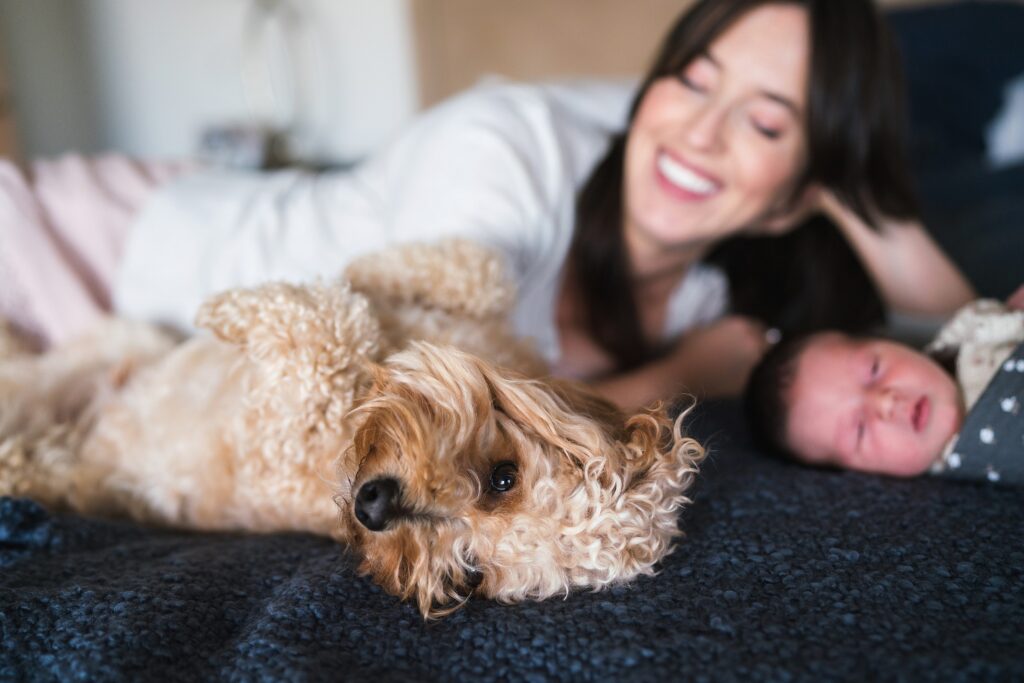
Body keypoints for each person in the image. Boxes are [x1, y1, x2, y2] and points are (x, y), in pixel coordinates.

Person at [0, 0, 974, 410]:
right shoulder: (506, 149)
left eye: (762, 124)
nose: (697, 134)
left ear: (796, 198)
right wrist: (676, 375)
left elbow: (950, 329)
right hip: (109, 243)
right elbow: (448, 413)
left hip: (140, 353)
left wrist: (849, 189)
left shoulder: (708, 292)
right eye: (692, 79)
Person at [744, 286, 1024, 483]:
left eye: (874, 370)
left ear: (891, 341)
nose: (885, 401)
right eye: (859, 430)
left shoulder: (978, 331)